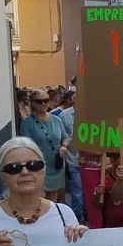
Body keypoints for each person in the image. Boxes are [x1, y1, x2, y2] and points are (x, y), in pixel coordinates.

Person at [18, 89, 69, 201]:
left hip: (56, 165)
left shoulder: (56, 120)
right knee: (39, 202)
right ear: (32, 103)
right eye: (39, 101)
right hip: (38, 167)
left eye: (46, 100)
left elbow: (65, 138)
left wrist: (64, 146)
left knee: (52, 202)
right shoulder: (27, 123)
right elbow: (26, 146)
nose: (44, 104)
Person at [53, 90, 84, 221]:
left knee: (86, 189)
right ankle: (76, 215)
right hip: (72, 159)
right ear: (73, 101)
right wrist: (64, 146)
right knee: (76, 189)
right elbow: (61, 136)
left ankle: (85, 212)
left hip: (89, 161)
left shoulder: (90, 115)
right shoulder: (64, 116)